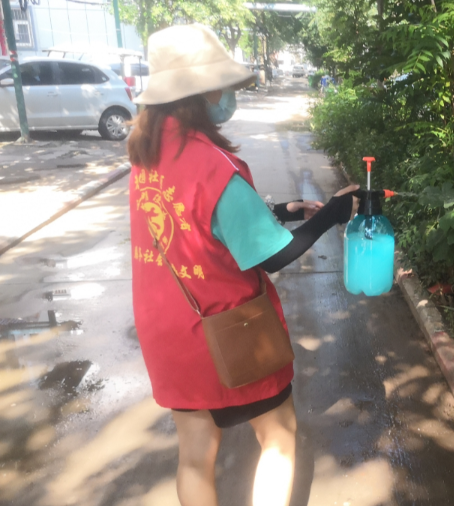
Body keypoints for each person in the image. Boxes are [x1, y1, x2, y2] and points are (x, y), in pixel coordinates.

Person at [127, 24, 357, 506]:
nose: (230, 94)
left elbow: (191, 223)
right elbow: (274, 256)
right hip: (230, 330)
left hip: (168, 331)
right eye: (224, 85)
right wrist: (333, 213)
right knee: (278, 437)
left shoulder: (147, 154)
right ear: (202, 91)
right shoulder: (211, 164)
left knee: (194, 454)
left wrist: (281, 210)